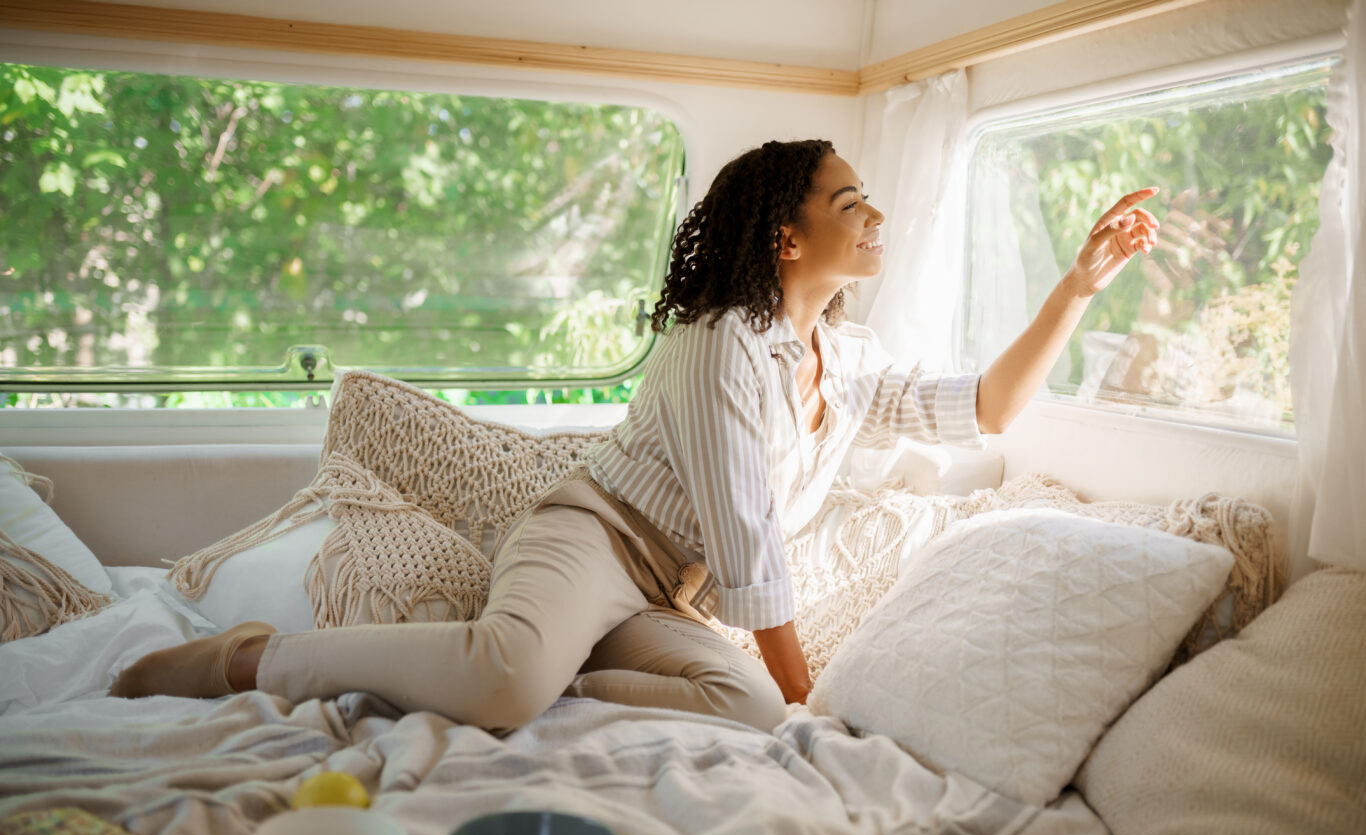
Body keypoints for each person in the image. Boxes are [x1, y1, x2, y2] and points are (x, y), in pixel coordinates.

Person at [111, 139, 1157, 733]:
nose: (874, 215)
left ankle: (565, 671)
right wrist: (814, 709)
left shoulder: (852, 357)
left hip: (665, 594)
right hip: (588, 541)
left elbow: (986, 409)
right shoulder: (718, 345)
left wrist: (1076, 286)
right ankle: (256, 660)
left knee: (741, 709)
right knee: (506, 681)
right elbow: (749, 545)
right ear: (789, 238)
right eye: (852, 202)